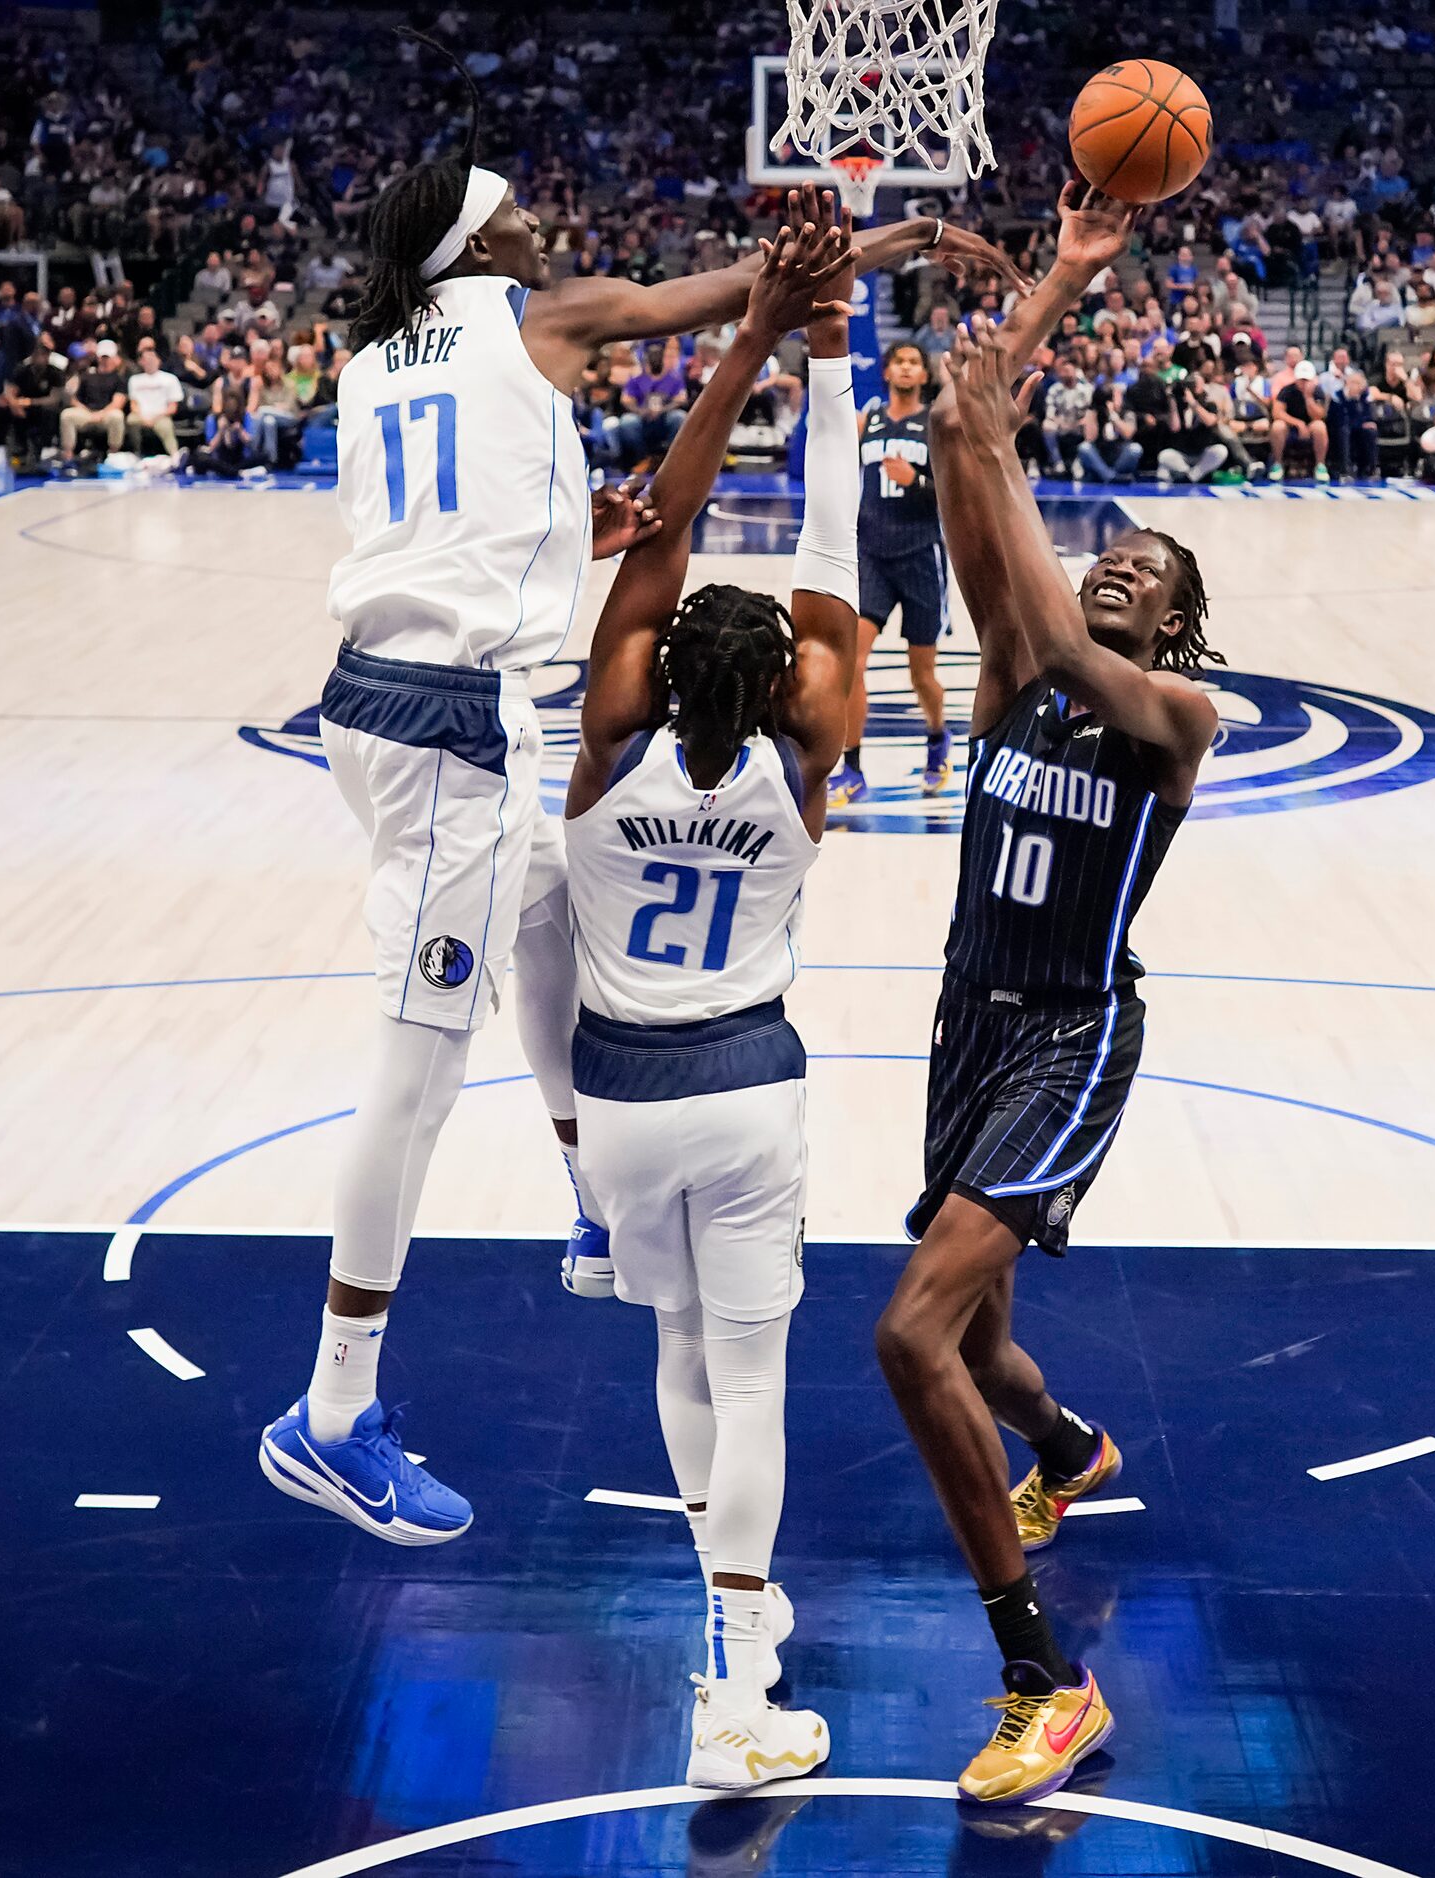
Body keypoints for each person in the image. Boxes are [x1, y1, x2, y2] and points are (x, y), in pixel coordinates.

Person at [256, 111, 1013, 1547]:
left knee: (546, 908)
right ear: (477, 242)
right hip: (440, 726)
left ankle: (589, 1192)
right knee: (410, 1077)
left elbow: (439, 533)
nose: (541, 225)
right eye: (517, 214)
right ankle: (334, 1408)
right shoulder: (540, 312)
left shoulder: (374, 355)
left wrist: (560, 542)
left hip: (406, 693)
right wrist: (867, 253)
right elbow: (732, 295)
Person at [873, 183, 1220, 1806]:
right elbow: (961, 437)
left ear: (1175, 620)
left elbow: (989, 468)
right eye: (1108, 553)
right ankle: (1069, 1449)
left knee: (908, 1333)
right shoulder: (1012, 674)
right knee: (990, 1354)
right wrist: (1059, 282)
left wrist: (1001, 441)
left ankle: (1043, 1675)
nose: (1115, 567)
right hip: (967, 1019)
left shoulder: (1172, 718)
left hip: (1072, 1035)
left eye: (1143, 568)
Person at [562, 202, 857, 1791]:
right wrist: (826, 350)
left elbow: (660, 527)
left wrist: (746, 340)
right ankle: (736, 1690)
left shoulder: (605, 743)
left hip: (616, 1105)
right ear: (781, 692)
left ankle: (730, 1625)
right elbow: (827, 558)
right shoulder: (805, 766)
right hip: (745, 1089)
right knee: (753, 1383)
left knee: (679, 1356)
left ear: (660, 671)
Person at [840, 340, 954, 805]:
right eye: (899, 362)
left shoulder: (937, 425)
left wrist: (918, 482)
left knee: (921, 674)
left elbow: (954, 491)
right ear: (887, 371)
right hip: (872, 554)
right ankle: (850, 768)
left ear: (923, 376)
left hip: (921, 554)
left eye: (914, 363)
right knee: (852, 662)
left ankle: (937, 738)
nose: (906, 368)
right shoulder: (867, 422)